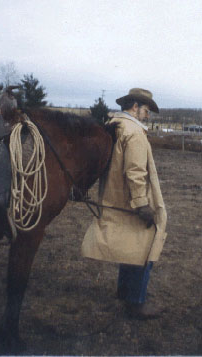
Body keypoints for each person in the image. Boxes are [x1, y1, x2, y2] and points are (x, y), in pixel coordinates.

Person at [81, 88, 167, 320]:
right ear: (135, 107)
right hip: (130, 202)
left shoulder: (116, 126)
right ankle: (136, 302)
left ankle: (124, 292)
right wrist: (142, 204)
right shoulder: (134, 133)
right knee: (144, 246)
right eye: (146, 110)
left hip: (114, 197)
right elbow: (136, 172)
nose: (148, 116)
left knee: (130, 245)